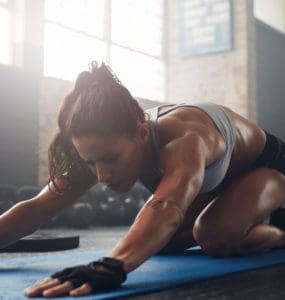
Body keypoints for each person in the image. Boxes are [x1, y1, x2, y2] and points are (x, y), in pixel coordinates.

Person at [1, 62, 285, 298]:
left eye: (111, 160)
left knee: (212, 236)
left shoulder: (185, 139)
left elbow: (168, 205)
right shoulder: (104, 145)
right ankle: (242, 216)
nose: (102, 175)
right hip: (220, 184)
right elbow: (39, 206)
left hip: (269, 169)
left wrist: (110, 266)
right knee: (158, 240)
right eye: (91, 163)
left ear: (142, 133)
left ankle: (279, 232)